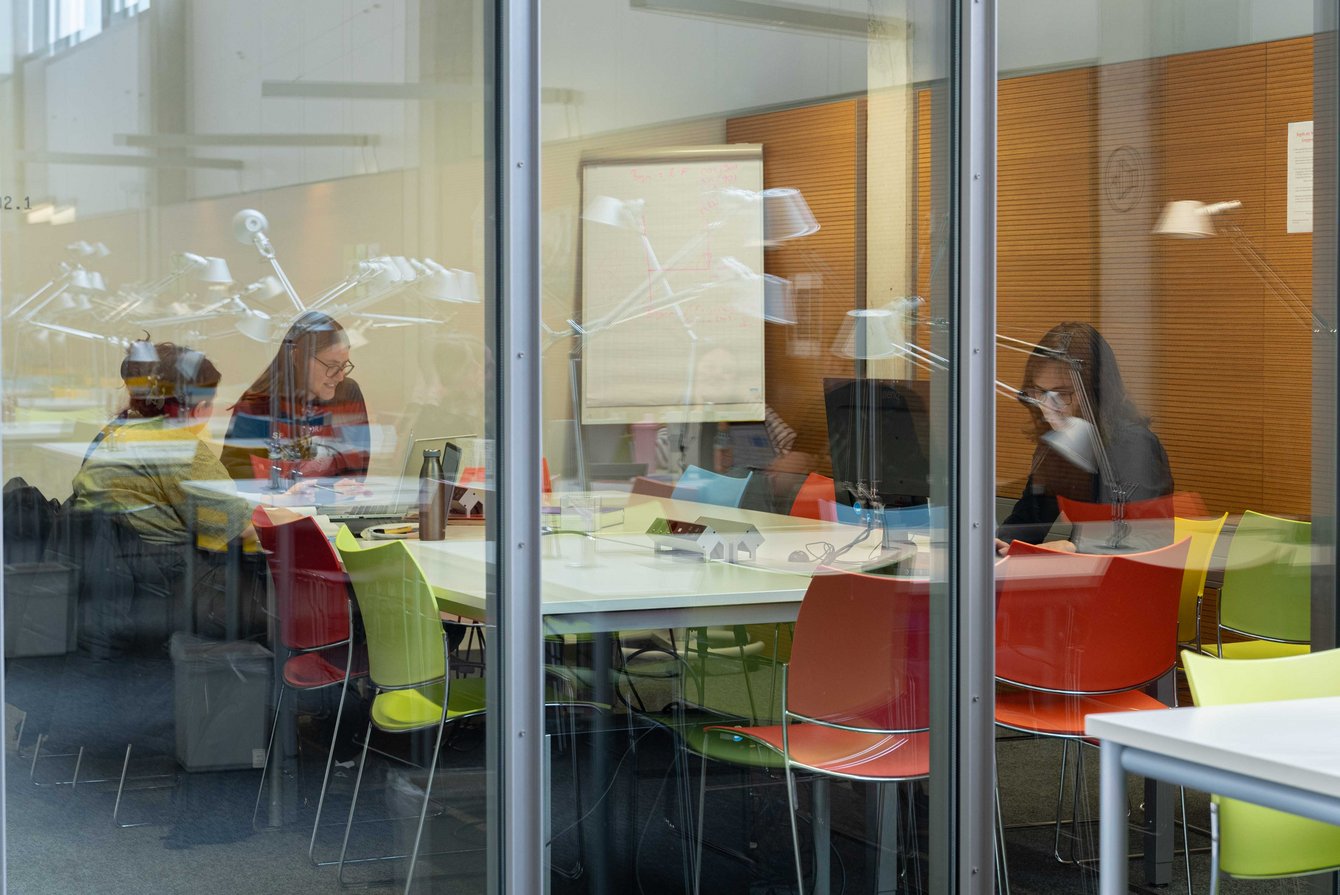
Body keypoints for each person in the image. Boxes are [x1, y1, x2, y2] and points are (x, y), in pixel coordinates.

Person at [72, 341, 269, 644]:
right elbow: (242, 529)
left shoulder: (115, 432)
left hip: (121, 584)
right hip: (171, 586)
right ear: (198, 405)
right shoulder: (178, 446)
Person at [995, 322, 1172, 555]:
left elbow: (1146, 540)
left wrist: (1075, 547)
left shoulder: (1135, 447)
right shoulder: (1060, 444)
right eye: (1038, 392)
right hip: (1086, 572)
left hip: (1128, 577)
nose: (1048, 406)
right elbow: (1031, 515)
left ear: (1095, 392)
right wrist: (1002, 543)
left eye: (1063, 393)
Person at [221, 310, 371, 485]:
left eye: (344, 366)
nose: (340, 377)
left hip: (332, 507)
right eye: (331, 366)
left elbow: (357, 463)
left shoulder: (348, 392)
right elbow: (236, 470)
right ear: (296, 356)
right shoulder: (257, 404)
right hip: (280, 509)